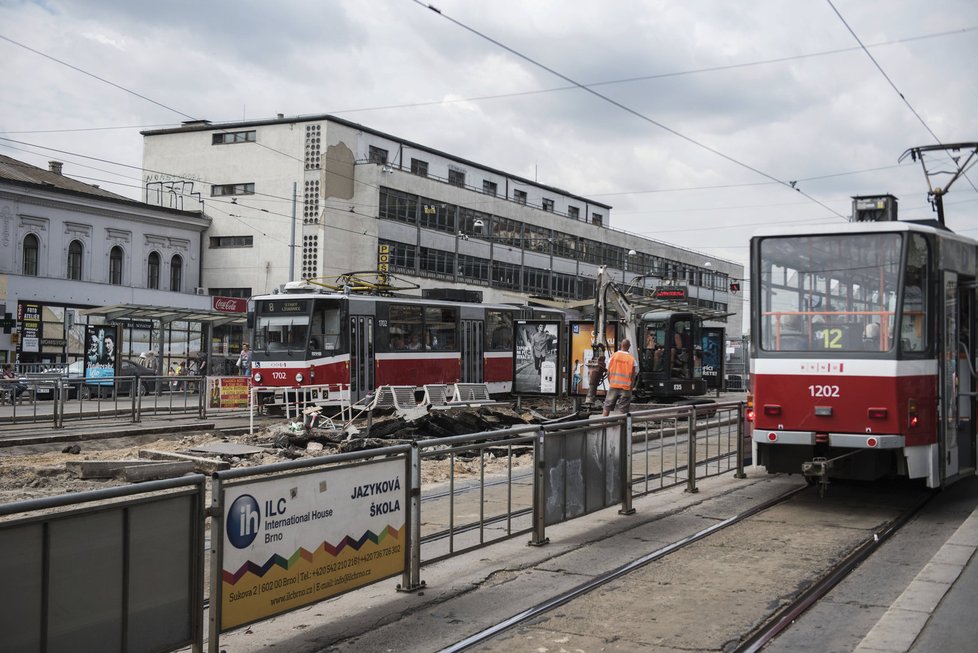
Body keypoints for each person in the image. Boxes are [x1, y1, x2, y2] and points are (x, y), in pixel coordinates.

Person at [603, 338, 638, 416]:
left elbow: (608, 373)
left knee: (607, 406)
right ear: (629, 346)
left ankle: (603, 424)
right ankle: (621, 427)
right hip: (625, 388)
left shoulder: (613, 356)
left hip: (613, 385)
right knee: (623, 410)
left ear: (621, 345)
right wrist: (631, 388)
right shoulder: (632, 359)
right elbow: (633, 376)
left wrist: (611, 383)